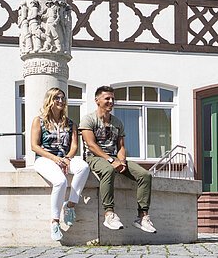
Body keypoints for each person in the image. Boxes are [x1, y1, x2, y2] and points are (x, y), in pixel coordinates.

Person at [79, 85, 157, 233]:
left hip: (113, 157)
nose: (111, 101)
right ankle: (109, 214)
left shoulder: (117, 122)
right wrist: (111, 161)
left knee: (145, 175)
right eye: (107, 98)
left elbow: (121, 146)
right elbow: (91, 145)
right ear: (97, 100)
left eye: (112, 99)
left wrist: (121, 161)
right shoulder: (88, 119)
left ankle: (142, 217)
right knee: (109, 170)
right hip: (93, 157)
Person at [29, 86, 91, 242]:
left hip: (65, 157)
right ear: (50, 100)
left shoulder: (70, 123)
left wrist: (67, 158)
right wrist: (55, 159)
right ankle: (55, 222)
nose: (61, 101)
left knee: (83, 167)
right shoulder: (39, 120)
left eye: (63, 98)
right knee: (60, 181)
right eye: (57, 98)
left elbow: (74, 146)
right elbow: (34, 146)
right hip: (44, 159)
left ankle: (70, 205)